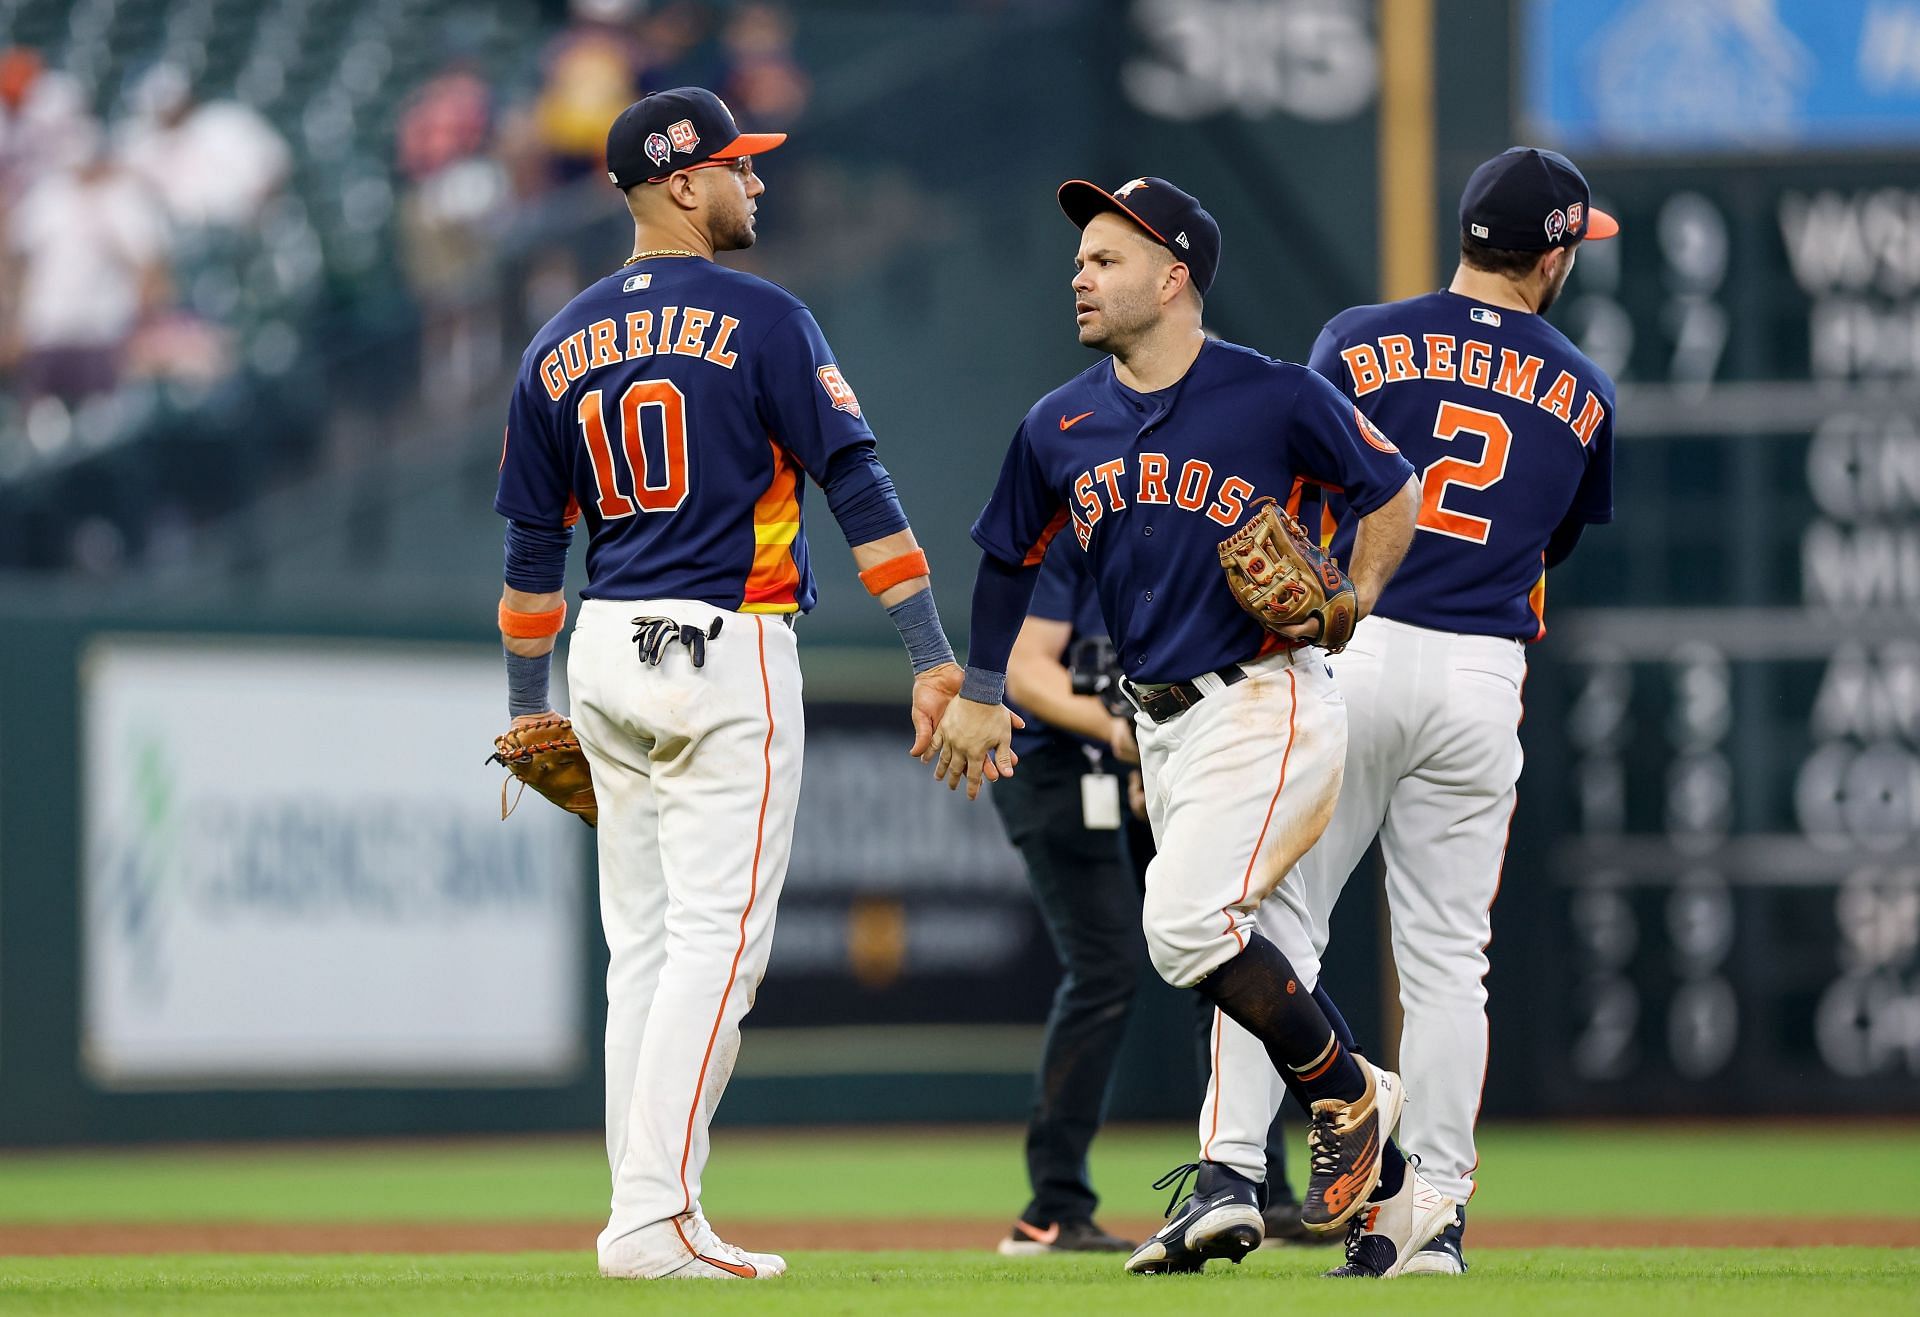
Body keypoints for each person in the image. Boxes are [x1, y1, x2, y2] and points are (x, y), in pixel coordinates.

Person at [925, 175, 1448, 1277]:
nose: (1081, 273)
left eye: (1106, 257)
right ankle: (1374, 1195)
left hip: (1268, 698)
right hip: (1159, 725)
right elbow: (1004, 562)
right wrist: (979, 690)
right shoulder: (1058, 422)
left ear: (1175, 278)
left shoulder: (1272, 396)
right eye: (1080, 259)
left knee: (1184, 923)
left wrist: (1353, 594)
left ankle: (1351, 1094)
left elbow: (1394, 488)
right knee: (1231, 942)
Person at [492, 86, 963, 1282]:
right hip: (722, 642)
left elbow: (532, 556)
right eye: (739, 167)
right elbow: (856, 484)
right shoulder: (764, 317)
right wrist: (927, 652)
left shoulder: (555, 341)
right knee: (718, 943)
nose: (757, 183)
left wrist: (521, 707)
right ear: (680, 182)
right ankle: (653, 1218)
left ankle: (639, 1209)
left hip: (601, 648)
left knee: (641, 949)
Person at [1202, 146, 1617, 1278]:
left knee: (1275, 923)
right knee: (1448, 961)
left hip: (1355, 645)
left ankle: (1233, 1172)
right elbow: (1552, 542)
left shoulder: (1358, 336)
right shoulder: (1584, 386)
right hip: (1482, 674)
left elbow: (1288, 473)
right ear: (1555, 252)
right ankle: (1431, 1221)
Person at [994, 537, 1334, 1257]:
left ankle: (1257, 1187)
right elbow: (1027, 671)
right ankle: (1051, 1209)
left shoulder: (1183, 539)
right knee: (1107, 966)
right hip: (1058, 764)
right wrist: (1128, 732)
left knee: (1222, 943)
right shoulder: (1078, 528)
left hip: (1160, 754)